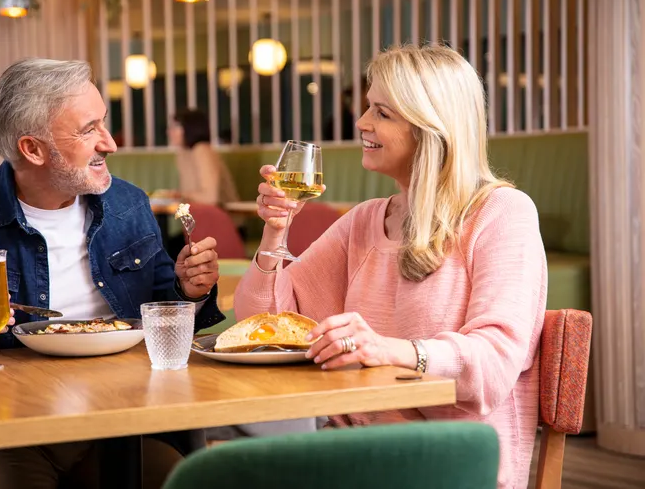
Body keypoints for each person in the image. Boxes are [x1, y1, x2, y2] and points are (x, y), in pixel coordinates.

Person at [0, 58, 225, 489]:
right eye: (88, 130)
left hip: (124, 424)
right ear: (32, 149)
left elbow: (167, 307)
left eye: (103, 124)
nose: (109, 143)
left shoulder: (129, 205)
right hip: (1, 433)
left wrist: (189, 291)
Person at [234, 45, 547, 489]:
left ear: (431, 128)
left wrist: (388, 349)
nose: (361, 122)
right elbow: (261, 324)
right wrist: (275, 232)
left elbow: (493, 367)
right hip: (352, 456)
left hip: (448, 467)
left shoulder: (501, 213)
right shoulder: (366, 220)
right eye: (367, 107)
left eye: (381, 112)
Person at [166, 109, 240, 259]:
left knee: (165, 252)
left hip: (222, 229)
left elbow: (209, 197)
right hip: (201, 227)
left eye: (175, 127)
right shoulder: (185, 154)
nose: (170, 131)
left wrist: (180, 195)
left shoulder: (202, 150)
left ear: (190, 128)